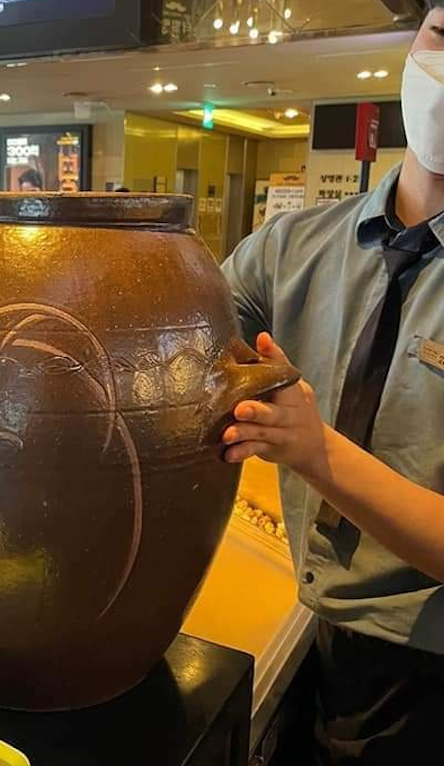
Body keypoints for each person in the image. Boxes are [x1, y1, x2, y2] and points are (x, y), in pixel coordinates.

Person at [221, 3, 444, 762]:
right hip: (309, 626)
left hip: (427, 671)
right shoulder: (293, 247)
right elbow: (176, 331)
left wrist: (316, 454)